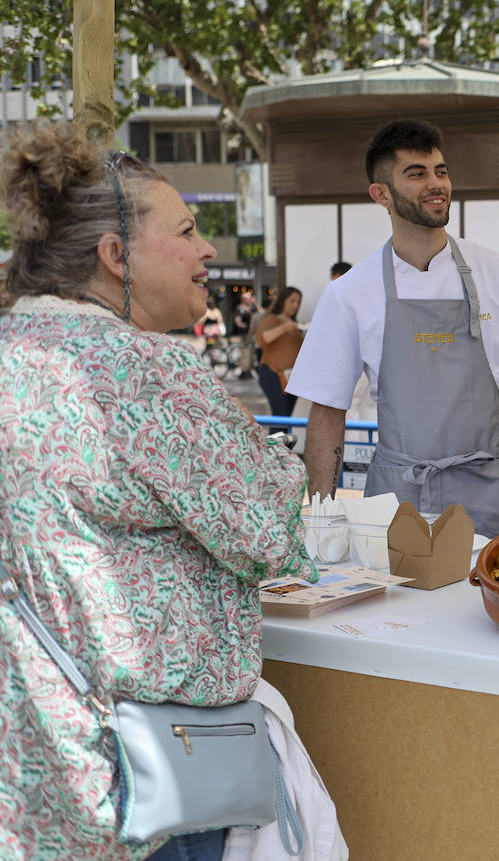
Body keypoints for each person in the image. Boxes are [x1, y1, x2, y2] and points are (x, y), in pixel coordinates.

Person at [0, 123, 319, 859]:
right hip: (136, 779)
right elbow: (270, 531)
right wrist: (258, 444)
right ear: (116, 257)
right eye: (186, 230)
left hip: (29, 773)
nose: (207, 251)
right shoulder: (146, 372)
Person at [288, 119, 499, 536]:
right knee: (395, 599)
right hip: (396, 499)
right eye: (417, 174)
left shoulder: (497, 272)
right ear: (382, 195)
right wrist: (322, 516)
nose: (436, 184)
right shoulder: (350, 293)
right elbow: (327, 411)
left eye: (441, 171)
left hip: (486, 492)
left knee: (480, 599)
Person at [255, 285, 304, 417]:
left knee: (287, 416)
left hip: (290, 377)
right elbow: (264, 338)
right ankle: (274, 438)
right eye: (292, 301)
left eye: (298, 302)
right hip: (273, 373)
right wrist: (284, 328)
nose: (295, 305)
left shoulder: (294, 323)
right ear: (283, 301)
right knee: (280, 415)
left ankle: (281, 438)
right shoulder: (271, 319)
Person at [232, 288, 258, 378]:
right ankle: (245, 370)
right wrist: (241, 324)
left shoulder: (252, 307)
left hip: (253, 333)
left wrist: (255, 303)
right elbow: (237, 319)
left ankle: (249, 369)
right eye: (248, 298)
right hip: (245, 333)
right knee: (245, 351)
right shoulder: (240, 308)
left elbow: (261, 313)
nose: (249, 299)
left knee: (252, 352)